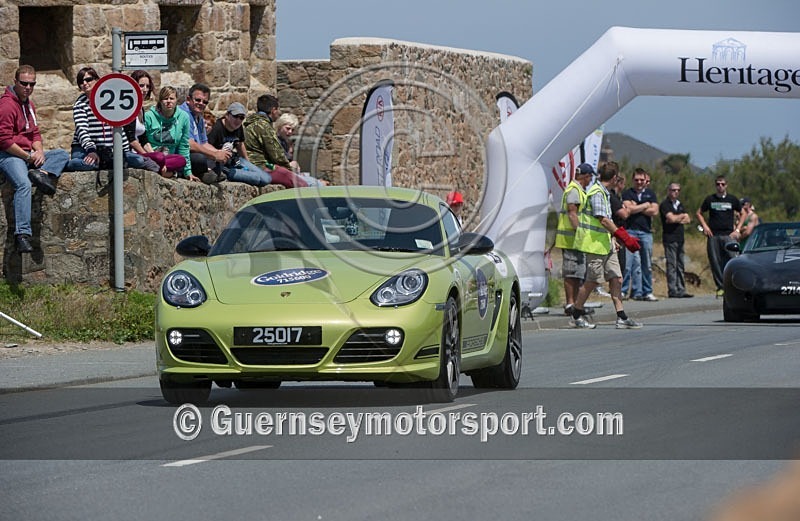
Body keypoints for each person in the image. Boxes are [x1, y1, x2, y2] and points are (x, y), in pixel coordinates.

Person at [0, 64, 69, 253]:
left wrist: (38, 152)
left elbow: (35, 134)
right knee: (22, 184)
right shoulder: (7, 105)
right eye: (24, 83)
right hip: (10, 155)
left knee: (62, 154)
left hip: (28, 155)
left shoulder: (29, 104)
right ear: (15, 82)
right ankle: (22, 234)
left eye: (32, 84)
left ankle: (41, 173)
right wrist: (28, 156)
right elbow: (4, 141)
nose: (28, 88)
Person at [569, 165, 642, 329]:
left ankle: (621, 316)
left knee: (616, 278)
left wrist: (613, 239)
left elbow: (605, 220)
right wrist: (622, 236)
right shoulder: (596, 193)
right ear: (615, 178)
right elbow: (603, 219)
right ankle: (576, 315)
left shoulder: (603, 192)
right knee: (592, 281)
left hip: (605, 243)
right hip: (594, 245)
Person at [65, 67, 157, 173]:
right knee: (86, 164)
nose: (85, 83)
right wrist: (91, 150)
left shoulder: (108, 97)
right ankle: (72, 165)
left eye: (88, 79)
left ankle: (103, 163)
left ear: (96, 80)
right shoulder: (80, 104)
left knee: (139, 161)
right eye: (81, 82)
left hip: (108, 149)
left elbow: (118, 125)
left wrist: (124, 150)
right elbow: (82, 130)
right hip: (85, 148)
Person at [243, 94, 327, 188]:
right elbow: (276, 153)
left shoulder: (249, 124)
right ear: (273, 110)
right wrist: (289, 169)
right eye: (278, 110)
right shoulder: (263, 126)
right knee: (305, 184)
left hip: (252, 166)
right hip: (261, 167)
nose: (278, 113)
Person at [554, 163, 593, 315]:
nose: (590, 180)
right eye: (590, 176)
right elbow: (572, 214)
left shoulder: (579, 191)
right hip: (571, 239)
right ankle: (570, 303)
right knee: (571, 272)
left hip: (577, 240)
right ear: (585, 176)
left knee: (578, 272)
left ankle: (577, 304)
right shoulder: (574, 191)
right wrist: (580, 231)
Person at [696, 175, 742, 297]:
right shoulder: (710, 199)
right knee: (715, 261)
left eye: (722, 184)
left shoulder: (732, 199)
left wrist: (737, 229)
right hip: (714, 236)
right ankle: (720, 287)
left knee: (732, 260)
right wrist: (705, 227)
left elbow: (743, 213)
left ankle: (735, 286)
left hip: (728, 235)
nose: (720, 186)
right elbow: (699, 213)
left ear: (726, 185)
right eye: (718, 184)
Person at [206, 102, 272, 187]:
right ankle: (226, 175)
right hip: (222, 166)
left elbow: (240, 145)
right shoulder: (217, 128)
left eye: (241, 118)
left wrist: (248, 164)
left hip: (235, 161)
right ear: (227, 115)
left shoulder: (238, 127)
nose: (238, 120)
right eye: (235, 116)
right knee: (257, 179)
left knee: (267, 178)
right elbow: (207, 147)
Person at [621, 167, 659, 301]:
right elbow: (628, 209)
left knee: (646, 264)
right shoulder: (627, 193)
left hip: (645, 232)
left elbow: (654, 211)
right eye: (636, 180)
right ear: (633, 180)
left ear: (645, 180)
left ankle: (647, 291)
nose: (639, 182)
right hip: (630, 231)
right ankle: (624, 291)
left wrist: (636, 206)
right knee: (628, 264)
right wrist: (645, 206)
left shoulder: (651, 194)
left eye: (642, 180)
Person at [178, 83, 227, 183]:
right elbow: (189, 144)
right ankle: (207, 173)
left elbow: (204, 142)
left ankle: (207, 173)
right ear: (188, 99)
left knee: (222, 160)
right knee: (200, 159)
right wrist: (214, 155)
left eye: (205, 102)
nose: (201, 103)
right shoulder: (183, 114)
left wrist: (219, 153)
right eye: (198, 100)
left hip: (194, 154)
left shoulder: (199, 116)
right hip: (181, 154)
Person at [143, 86, 193, 181]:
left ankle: (161, 170)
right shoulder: (149, 116)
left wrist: (188, 172)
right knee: (158, 157)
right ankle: (167, 172)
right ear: (160, 101)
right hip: (152, 155)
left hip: (168, 159)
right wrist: (152, 155)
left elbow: (184, 145)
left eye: (171, 98)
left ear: (176, 100)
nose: (169, 101)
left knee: (181, 160)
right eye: (165, 99)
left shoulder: (183, 117)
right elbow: (143, 139)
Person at [660, 182, 693, 298]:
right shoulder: (665, 204)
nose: (676, 192)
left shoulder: (680, 204)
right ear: (669, 191)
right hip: (670, 238)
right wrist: (679, 217)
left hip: (680, 238)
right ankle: (672, 289)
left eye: (678, 190)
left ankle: (681, 289)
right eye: (673, 190)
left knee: (680, 264)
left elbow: (688, 219)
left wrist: (677, 218)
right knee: (671, 265)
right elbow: (670, 218)